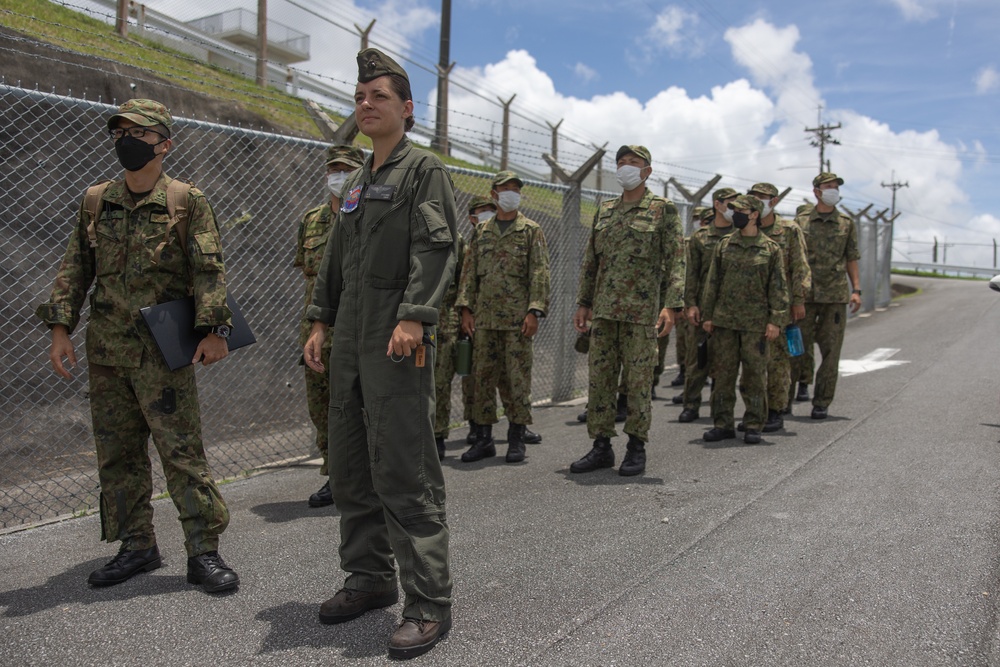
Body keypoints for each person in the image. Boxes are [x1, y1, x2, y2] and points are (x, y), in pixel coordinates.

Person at [35, 99, 239, 593]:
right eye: (120, 132)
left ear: (164, 144)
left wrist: (215, 330)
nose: (127, 140)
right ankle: (137, 546)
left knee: (181, 452)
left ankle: (203, 552)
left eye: (139, 133)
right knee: (118, 454)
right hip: (106, 352)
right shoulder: (95, 200)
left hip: (163, 354)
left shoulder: (186, 201)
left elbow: (208, 269)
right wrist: (60, 328)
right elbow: (74, 268)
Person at [304, 48, 456, 659]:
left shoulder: (424, 171)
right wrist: (319, 320)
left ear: (407, 108)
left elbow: (436, 247)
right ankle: (369, 579)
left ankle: (428, 602)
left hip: (396, 342)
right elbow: (335, 260)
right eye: (360, 95)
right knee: (350, 468)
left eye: (379, 96)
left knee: (403, 469)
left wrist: (416, 317)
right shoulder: (360, 181)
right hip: (350, 344)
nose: (366, 104)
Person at [570, 145, 684, 476]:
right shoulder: (605, 210)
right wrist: (584, 303)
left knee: (637, 382)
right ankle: (601, 446)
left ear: (647, 171)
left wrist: (671, 305)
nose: (625, 168)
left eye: (632, 164)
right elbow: (591, 260)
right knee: (600, 380)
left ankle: (636, 447)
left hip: (641, 312)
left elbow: (676, 258)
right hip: (604, 312)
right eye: (620, 163)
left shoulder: (663, 210)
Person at [456, 170, 551, 464]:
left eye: (515, 188)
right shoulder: (482, 232)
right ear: (494, 194)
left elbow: (540, 272)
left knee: (516, 379)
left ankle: (516, 437)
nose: (511, 193)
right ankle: (483, 439)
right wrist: (466, 309)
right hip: (483, 320)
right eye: (504, 188)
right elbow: (469, 273)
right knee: (482, 379)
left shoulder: (530, 230)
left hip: (516, 322)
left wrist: (535, 311)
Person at [296, 144, 365, 507]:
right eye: (334, 169)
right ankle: (334, 475)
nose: (339, 176)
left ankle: (362, 478)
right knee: (320, 407)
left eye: (347, 169)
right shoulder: (311, 220)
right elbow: (308, 276)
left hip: (356, 329)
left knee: (357, 407)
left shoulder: (369, 218)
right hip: (317, 332)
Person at [700, 195, 788, 444]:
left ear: (754, 214)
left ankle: (753, 424)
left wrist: (775, 321)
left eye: (741, 210)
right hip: (725, 322)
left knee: (754, 376)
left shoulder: (770, 249)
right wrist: (708, 316)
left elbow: (778, 287)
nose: (735, 213)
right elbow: (712, 282)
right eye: (733, 209)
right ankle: (722, 423)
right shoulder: (725, 245)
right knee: (723, 375)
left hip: (756, 325)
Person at [793, 172, 862, 419]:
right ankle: (785, 398)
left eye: (836, 187)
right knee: (795, 349)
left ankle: (821, 401)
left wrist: (856, 290)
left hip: (834, 297)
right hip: (804, 296)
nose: (833, 190)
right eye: (828, 186)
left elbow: (851, 258)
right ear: (817, 191)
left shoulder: (845, 223)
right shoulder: (800, 221)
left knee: (831, 353)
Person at [748, 182, 811, 432]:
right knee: (752, 363)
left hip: (780, 307)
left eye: (762, 198)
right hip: (749, 307)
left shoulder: (789, 230)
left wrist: (798, 299)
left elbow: (800, 268)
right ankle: (755, 409)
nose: (757, 202)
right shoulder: (745, 228)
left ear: (773, 201)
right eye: (753, 197)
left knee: (777, 363)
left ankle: (776, 410)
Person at [679, 187, 739, 422]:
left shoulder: (740, 235)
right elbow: (691, 273)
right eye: (730, 204)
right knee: (697, 359)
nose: (734, 210)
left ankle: (720, 407)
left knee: (726, 362)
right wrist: (691, 304)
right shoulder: (700, 237)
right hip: (703, 308)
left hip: (731, 310)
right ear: (717, 204)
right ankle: (691, 404)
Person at [671, 205, 715, 404]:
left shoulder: (728, 240)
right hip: (695, 305)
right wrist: (686, 303)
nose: (700, 222)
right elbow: (688, 275)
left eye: (703, 218)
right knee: (692, 352)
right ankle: (690, 397)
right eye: (697, 218)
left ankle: (718, 398)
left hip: (721, 308)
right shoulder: (692, 242)